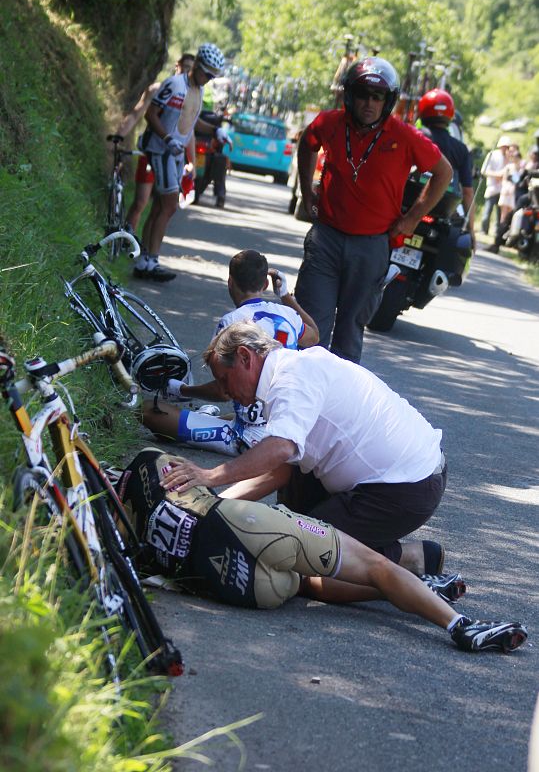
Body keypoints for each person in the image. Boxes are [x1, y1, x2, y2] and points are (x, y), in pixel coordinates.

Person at [116, 446, 528, 654]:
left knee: (300, 582)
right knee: (370, 566)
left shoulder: (121, 535)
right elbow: (204, 490)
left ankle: (420, 582)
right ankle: (460, 626)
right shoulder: (151, 463)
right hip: (254, 530)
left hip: (243, 588)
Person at [158, 321, 458, 584]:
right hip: (403, 477)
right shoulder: (293, 368)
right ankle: (353, 546)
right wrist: (212, 507)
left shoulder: (291, 379)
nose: (224, 392)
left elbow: (279, 449)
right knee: (287, 524)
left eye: (224, 379)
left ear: (245, 357)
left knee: (299, 561)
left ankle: (409, 559)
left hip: (403, 490)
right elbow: (279, 471)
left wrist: (209, 476)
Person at [294, 56, 453, 364]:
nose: (369, 103)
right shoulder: (330, 122)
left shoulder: (403, 135)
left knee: (349, 333)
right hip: (326, 238)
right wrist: (305, 191)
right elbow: (307, 143)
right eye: (363, 94)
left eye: (377, 97)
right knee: (310, 325)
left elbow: (443, 172)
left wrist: (412, 218)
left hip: (371, 245)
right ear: (350, 95)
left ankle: (339, 407)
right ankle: (301, 398)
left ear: (387, 101)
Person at [142, 249, 319, 455]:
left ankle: (208, 420)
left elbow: (224, 391)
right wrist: (285, 296)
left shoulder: (231, 323)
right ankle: (208, 418)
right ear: (265, 285)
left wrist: (182, 390)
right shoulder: (288, 315)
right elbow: (314, 336)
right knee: (233, 414)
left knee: (148, 411)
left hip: (248, 436)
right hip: (289, 423)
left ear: (230, 282)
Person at [133, 43, 229, 282]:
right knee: (169, 206)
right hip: (162, 151)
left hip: (175, 153)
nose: (208, 79)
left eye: (212, 76)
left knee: (160, 207)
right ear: (196, 65)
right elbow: (151, 114)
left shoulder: (198, 90)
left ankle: (145, 259)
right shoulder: (175, 85)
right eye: (206, 73)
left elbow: (191, 123)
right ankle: (151, 259)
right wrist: (166, 138)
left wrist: (216, 130)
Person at [123, 53, 196, 235]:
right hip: (152, 152)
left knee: (162, 205)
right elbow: (137, 113)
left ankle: (146, 250)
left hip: (173, 158)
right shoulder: (158, 89)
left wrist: (192, 161)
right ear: (176, 65)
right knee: (141, 201)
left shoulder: (192, 95)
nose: (187, 71)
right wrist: (119, 136)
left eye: (191, 68)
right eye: (185, 66)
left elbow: (190, 132)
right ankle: (127, 240)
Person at [416, 89, 476, 247]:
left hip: (406, 207)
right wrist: (471, 231)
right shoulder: (461, 149)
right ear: (450, 116)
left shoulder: (415, 136)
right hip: (442, 212)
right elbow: (468, 193)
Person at [480, 135, 511, 239]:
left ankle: (498, 234)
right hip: (492, 187)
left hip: (503, 189)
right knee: (487, 211)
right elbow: (484, 170)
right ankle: (484, 230)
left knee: (500, 215)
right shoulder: (492, 155)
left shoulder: (509, 158)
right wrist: (497, 175)